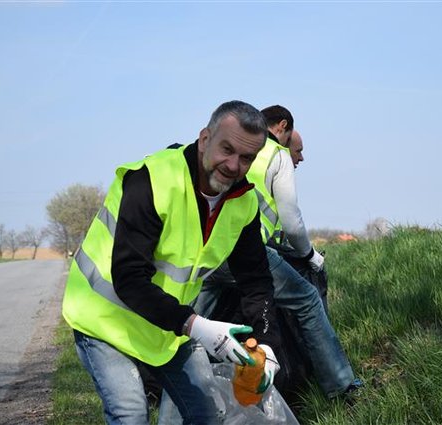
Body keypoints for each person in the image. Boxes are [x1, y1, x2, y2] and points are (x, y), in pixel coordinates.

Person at [61, 100, 281, 425]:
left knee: (208, 414)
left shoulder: (243, 203)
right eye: (227, 149)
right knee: (131, 414)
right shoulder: (152, 180)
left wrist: (267, 342)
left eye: (246, 157)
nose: (233, 165)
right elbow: (129, 278)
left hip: (167, 328)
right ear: (205, 139)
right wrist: (197, 326)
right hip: (105, 320)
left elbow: (256, 281)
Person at [191, 105, 361, 400]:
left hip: (206, 249)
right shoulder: (275, 154)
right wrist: (310, 257)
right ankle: (342, 386)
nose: (299, 156)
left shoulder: (225, 149)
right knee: (307, 299)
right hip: (245, 252)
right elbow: (291, 220)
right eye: (297, 146)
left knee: (193, 321)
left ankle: (164, 384)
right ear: (281, 127)